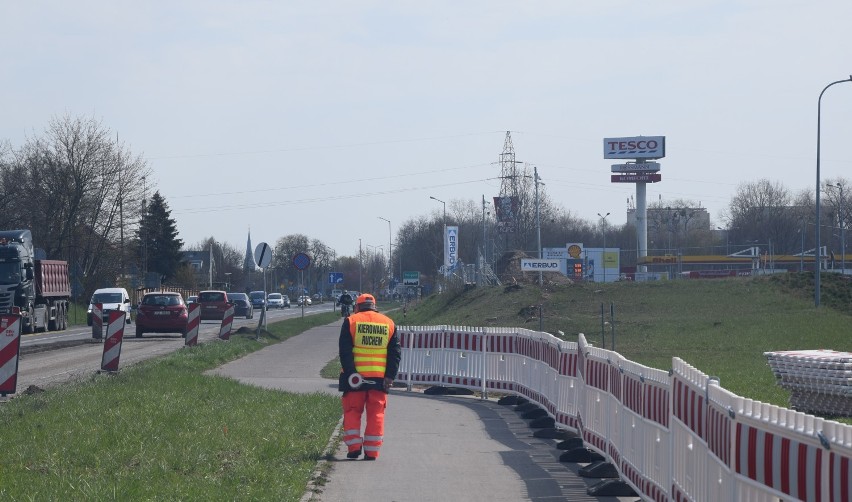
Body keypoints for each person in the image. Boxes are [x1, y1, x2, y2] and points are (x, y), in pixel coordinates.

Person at [338, 293, 401, 461]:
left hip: (355, 380)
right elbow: (395, 353)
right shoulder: (389, 323)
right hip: (379, 381)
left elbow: (344, 352)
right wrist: (390, 376)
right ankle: (372, 451)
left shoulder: (351, 321)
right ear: (375, 306)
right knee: (376, 414)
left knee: (352, 411)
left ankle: (354, 448)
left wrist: (351, 373)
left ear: (357, 307)